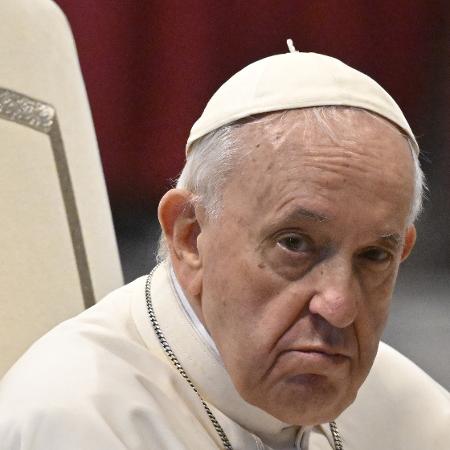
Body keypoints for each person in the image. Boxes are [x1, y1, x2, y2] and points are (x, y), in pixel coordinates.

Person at [0, 44, 448, 450]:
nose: (339, 306)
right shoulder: (77, 421)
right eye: (294, 244)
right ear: (190, 236)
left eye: (374, 255)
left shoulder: (419, 421)